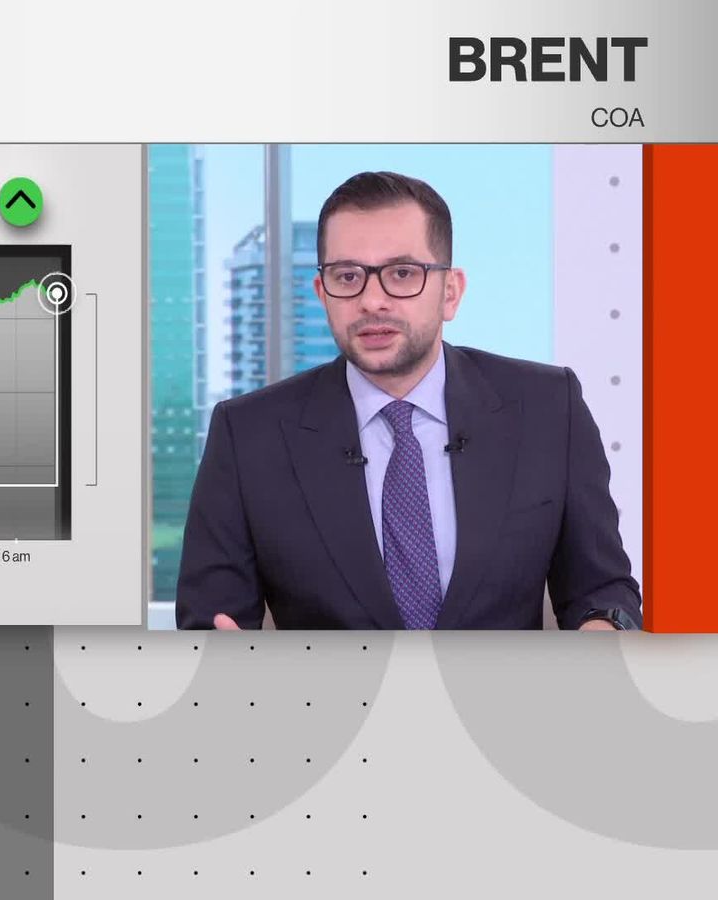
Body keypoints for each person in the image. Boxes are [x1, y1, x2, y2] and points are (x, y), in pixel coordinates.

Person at [175, 171, 641, 630]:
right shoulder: (248, 434)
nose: (372, 300)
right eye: (347, 276)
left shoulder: (548, 407)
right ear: (322, 294)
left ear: (450, 292)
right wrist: (224, 661)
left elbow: (602, 591)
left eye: (402, 274)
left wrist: (600, 633)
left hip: (503, 684)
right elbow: (209, 621)